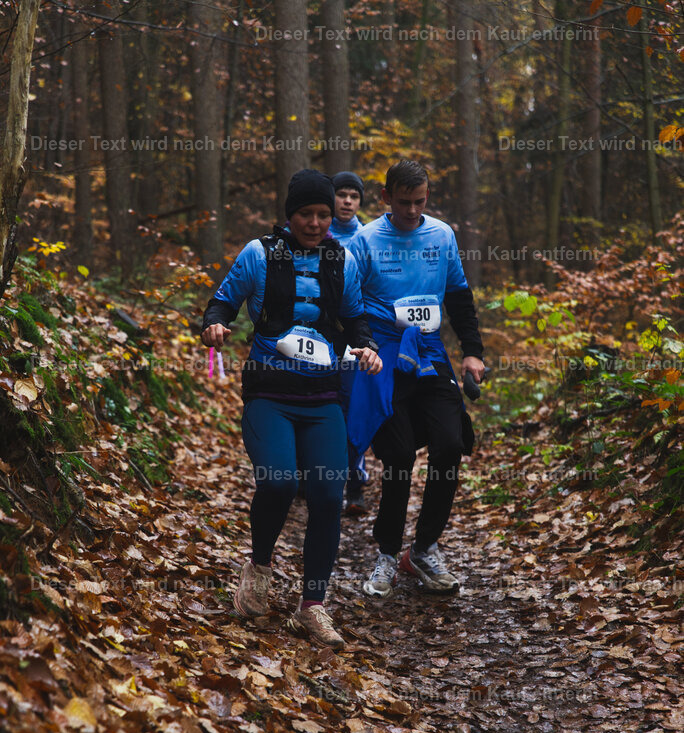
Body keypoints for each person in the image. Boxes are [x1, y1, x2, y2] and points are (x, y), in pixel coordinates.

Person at [201, 169, 382, 649]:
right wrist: (215, 327)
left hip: (322, 396)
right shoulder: (259, 254)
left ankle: (313, 607)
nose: (317, 222)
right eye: (308, 213)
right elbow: (221, 305)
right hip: (269, 394)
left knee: (327, 496)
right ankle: (259, 568)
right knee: (279, 482)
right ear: (291, 214)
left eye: (324, 214)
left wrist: (364, 347)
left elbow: (354, 317)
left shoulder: (340, 259)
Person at [347, 159, 485, 597]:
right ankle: (387, 554)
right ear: (386, 197)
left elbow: (460, 296)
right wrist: (361, 347)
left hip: (428, 352)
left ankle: (423, 549)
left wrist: (472, 353)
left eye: (419, 202)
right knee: (400, 456)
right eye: (403, 202)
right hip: (383, 357)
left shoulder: (441, 235)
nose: (411, 211)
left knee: (450, 443)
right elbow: (347, 305)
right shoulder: (366, 240)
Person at [329, 171, 367, 515]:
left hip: (353, 336)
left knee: (351, 405)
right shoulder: (313, 229)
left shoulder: (367, 237)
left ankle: (355, 483)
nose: (347, 201)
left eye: (354, 196)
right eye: (342, 194)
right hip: (315, 336)